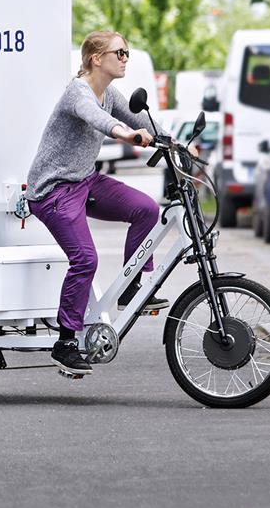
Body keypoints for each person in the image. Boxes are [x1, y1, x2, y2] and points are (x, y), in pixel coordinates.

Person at [25, 30, 169, 377]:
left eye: (126, 53)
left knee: (146, 209)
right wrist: (125, 135)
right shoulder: (79, 93)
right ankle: (65, 341)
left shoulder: (109, 93)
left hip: (84, 181)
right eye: (119, 53)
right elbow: (98, 119)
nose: (125, 59)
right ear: (96, 58)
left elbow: (142, 121)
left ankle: (134, 284)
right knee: (85, 258)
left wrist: (175, 143)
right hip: (53, 190)